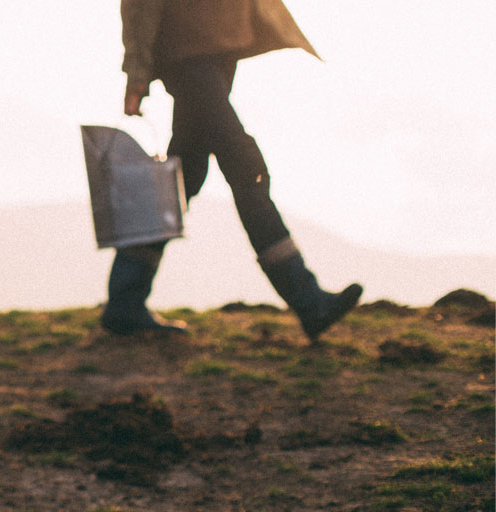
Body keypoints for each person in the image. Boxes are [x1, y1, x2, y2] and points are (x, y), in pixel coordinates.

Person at [106, 0, 362, 341]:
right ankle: (307, 298)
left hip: (220, 50)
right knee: (246, 170)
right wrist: (137, 73)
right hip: (189, 56)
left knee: (183, 179)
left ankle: (125, 302)